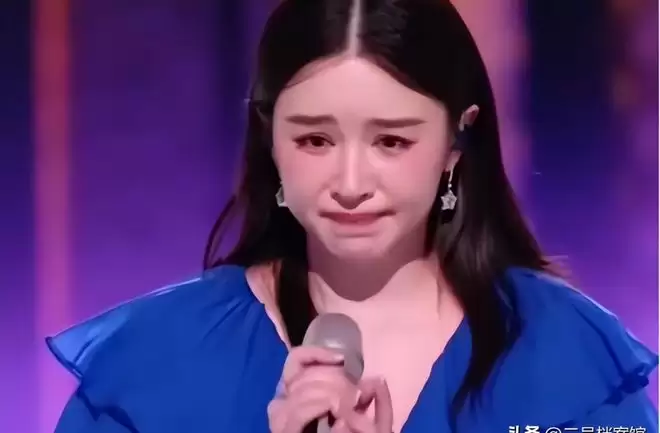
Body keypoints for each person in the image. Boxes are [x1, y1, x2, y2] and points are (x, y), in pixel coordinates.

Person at [48, 0, 658, 432]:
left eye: (391, 142)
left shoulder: (563, 355)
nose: (349, 184)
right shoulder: (155, 360)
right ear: (269, 137)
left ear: (456, 141)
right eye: (315, 141)